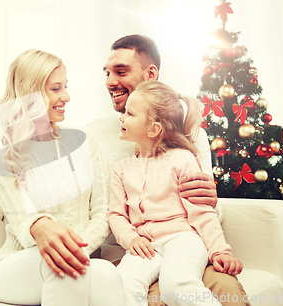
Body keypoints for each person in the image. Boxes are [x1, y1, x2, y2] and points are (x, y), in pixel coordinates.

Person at [88, 34, 249, 306]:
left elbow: (203, 208)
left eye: (121, 71)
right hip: (134, 249)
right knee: (136, 290)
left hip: (183, 240)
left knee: (220, 289)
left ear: (150, 74)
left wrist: (212, 206)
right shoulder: (95, 137)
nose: (110, 82)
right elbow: (109, 212)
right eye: (107, 73)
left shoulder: (188, 140)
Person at [0, 49, 125, 306]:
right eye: (56, 89)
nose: (66, 97)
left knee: (107, 274)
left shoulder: (84, 139)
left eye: (65, 87)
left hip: (80, 260)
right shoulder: (3, 152)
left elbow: (103, 211)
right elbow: (23, 220)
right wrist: (44, 229)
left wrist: (75, 248)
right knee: (67, 268)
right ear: (30, 94)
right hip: (18, 265)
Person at [109, 80, 243, 306]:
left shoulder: (182, 159)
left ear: (153, 129)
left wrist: (220, 251)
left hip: (182, 239)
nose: (122, 117)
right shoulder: (120, 169)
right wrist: (131, 238)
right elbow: (116, 214)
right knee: (123, 284)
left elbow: (202, 211)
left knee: (176, 285)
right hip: (144, 246)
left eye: (130, 114)